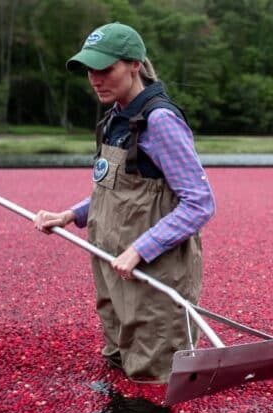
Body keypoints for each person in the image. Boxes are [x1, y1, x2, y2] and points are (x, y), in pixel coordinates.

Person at [33, 22, 215, 383]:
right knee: (119, 362)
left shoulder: (159, 120)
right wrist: (70, 215)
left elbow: (199, 203)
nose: (96, 79)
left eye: (105, 69)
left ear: (134, 64)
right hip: (113, 267)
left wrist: (140, 250)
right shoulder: (115, 117)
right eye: (90, 70)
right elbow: (119, 191)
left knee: (155, 375)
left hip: (153, 272)